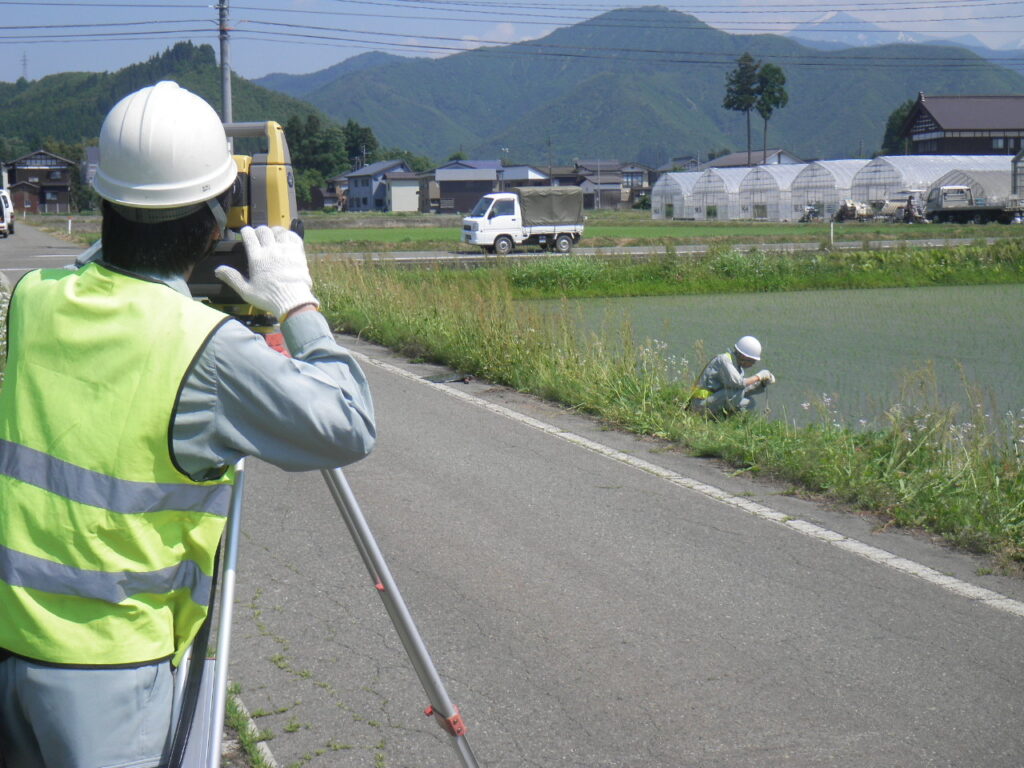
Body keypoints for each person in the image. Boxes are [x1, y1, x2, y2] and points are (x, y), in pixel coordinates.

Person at [0, 81, 376, 768]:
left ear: (103, 200)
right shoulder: (205, 349)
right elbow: (348, 424)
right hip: (111, 674)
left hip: (13, 646)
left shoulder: (33, 299)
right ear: (214, 219)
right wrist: (297, 303)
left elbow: (97, 269)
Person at [687, 335, 775, 416]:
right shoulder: (724, 360)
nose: (753, 364)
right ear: (743, 357)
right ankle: (712, 416)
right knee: (737, 392)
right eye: (752, 361)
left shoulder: (737, 368)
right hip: (700, 404)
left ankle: (725, 418)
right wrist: (759, 376)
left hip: (712, 401)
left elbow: (744, 389)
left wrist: (762, 384)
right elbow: (739, 384)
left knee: (749, 402)